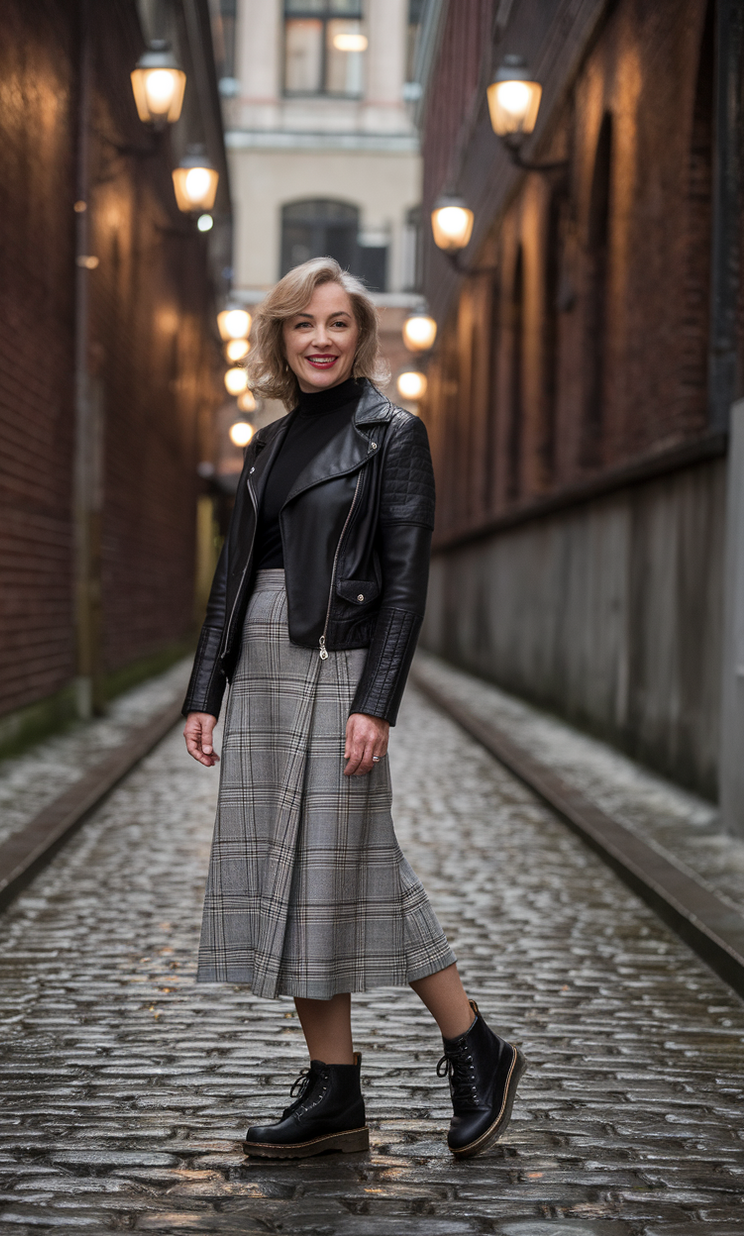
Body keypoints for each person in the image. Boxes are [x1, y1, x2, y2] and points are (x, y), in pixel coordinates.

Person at [182, 257, 526, 1161]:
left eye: (337, 323)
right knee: (288, 873)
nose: (321, 339)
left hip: (338, 666)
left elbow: (406, 587)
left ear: (360, 335)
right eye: (303, 324)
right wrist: (204, 688)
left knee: (353, 860)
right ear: (280, 338)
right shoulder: (265, 446)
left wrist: (378, 702)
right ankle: (336, 1087)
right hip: (258, 667)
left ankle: (472, 1045)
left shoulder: (392, 435)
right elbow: (230, 580)